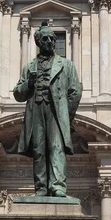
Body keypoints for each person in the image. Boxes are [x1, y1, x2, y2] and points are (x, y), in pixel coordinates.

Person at [13, 21, 82, 197]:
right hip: (36, 109)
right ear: (38, 42)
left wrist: (67, 115)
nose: (50, 41)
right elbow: (18, 94)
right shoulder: (29, 67)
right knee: (38, 149)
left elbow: (75, 91)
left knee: (56, 147)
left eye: (53, 38)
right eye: (46, 38)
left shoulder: (67, 65)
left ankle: (58, 186)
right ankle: (41, 188)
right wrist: (28, 84)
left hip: (56, 111)